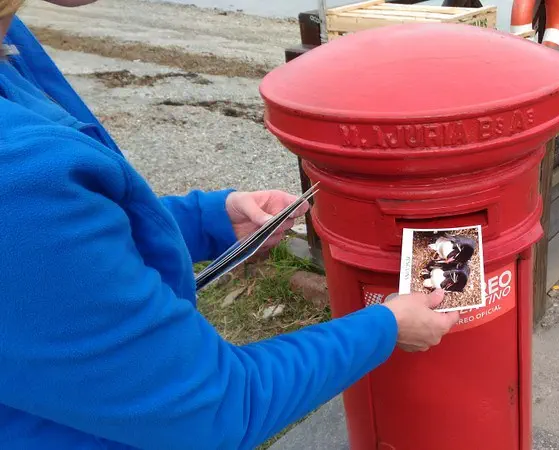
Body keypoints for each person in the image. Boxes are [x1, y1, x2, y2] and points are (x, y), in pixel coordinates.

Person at [0, 1, 460, 449]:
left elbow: (69, 237)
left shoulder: (10, 39)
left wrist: (206, 219)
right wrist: (386, 327)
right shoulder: (19, 173)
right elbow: (215, 408)